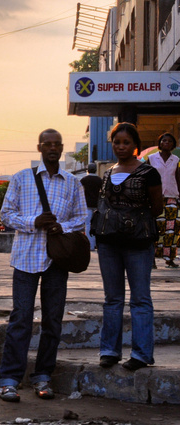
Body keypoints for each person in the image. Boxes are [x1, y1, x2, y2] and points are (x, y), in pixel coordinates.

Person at [0, 128, 86, 402]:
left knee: (52, 322)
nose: (52, 148)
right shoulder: (22, 178)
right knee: (21, 319)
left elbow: (81, 218)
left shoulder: (72, 182)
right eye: (47, 144)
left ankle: (43, 377)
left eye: (56, 144)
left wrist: (62, 226)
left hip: (56, 261)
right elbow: (7, 214)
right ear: (39, 147)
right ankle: (9, 380)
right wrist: (33, 222)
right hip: (25, 259)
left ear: (61, 148)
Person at [94, 122, 163, 372]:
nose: (121, 147)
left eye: (126, 142)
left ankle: (141, 354)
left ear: (136, 146)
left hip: (138, 243)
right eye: (117, 142)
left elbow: (157, 207)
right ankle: (109, 351)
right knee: (112, 299)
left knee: (140, 299)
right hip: (109, 243)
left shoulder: (149, 173)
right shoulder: (108, 172)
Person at [147, 132, 180, 268]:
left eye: (169, 141)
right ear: (159, 143)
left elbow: (177, 178)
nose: (166, 143)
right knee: (156, 228)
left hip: (172, 196)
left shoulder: (176, 160)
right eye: (163, 141)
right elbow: (147, 177)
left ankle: (169, 258)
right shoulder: (152, 158)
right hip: (156, 197)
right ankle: (152, 259)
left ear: (173, 145)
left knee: (172, 229)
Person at [80, 163, 103, 250]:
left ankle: (90, 246)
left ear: (88, 170)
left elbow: (79, 190)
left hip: (87, 205)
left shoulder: (84, 179)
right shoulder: (99, 180)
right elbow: (103, 192)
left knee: (88, 225)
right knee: (97, 225)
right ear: (96, 170)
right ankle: (97, 244)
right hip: (97, 205)